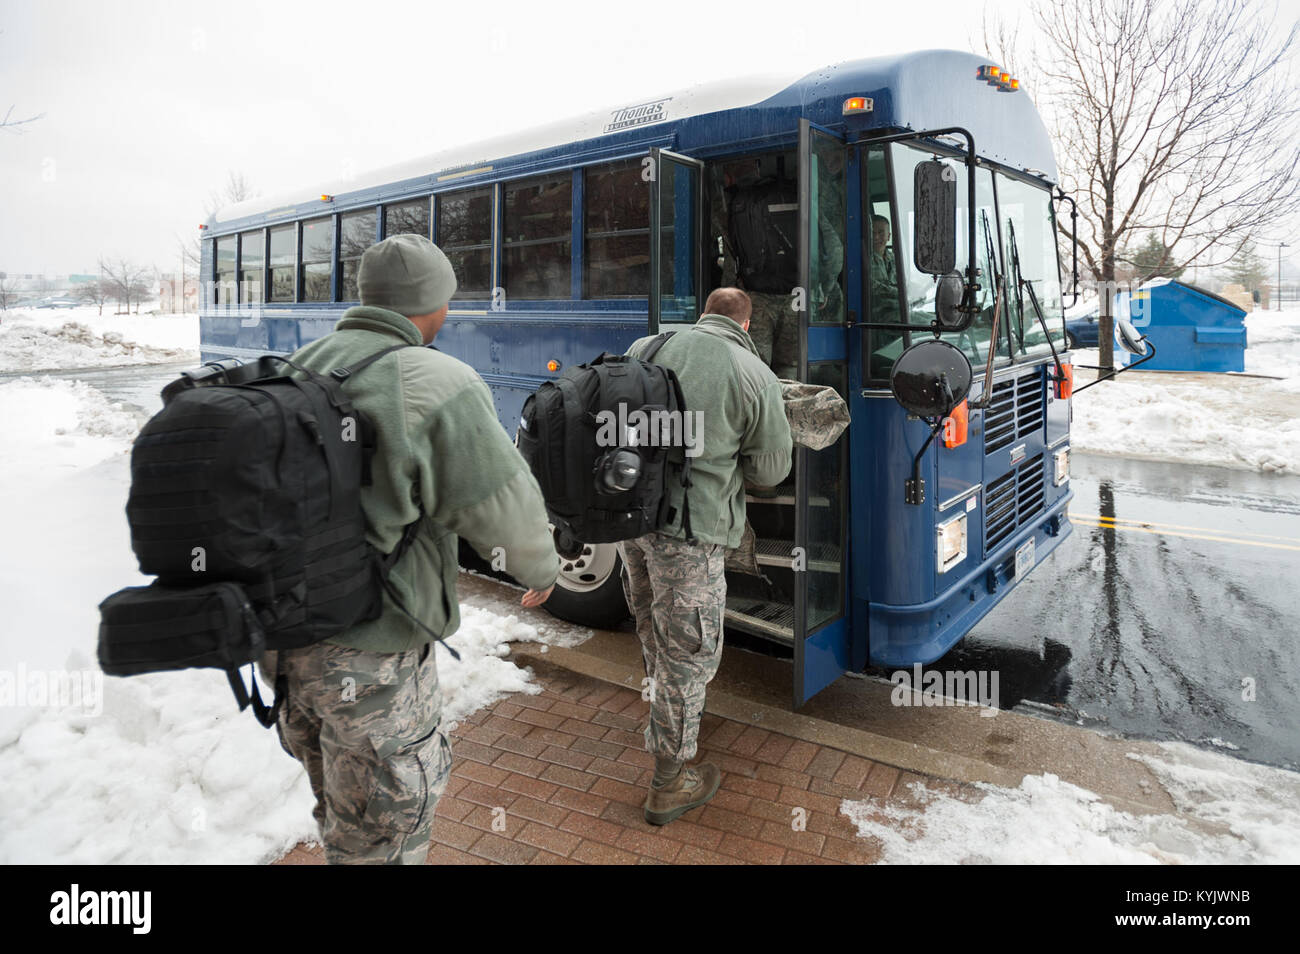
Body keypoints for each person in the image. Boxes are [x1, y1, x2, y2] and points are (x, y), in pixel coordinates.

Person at [265, 234, 558, 864]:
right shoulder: (437, 379)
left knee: (343, 810)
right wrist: (542, 568)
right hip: (373, 653)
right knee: (389, 829)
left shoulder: (300, 364)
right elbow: (505, 513)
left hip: (287, 646)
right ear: (435, 304)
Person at [620, 287, 793, 825]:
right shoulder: (750, 372)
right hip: (689, 537)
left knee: (652, 628)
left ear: (704, 315)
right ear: (744, 324)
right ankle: (669, 782)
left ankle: (664, 717)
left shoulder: (645, 346)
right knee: (688, 656)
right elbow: (769, 473)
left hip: (632, 522)